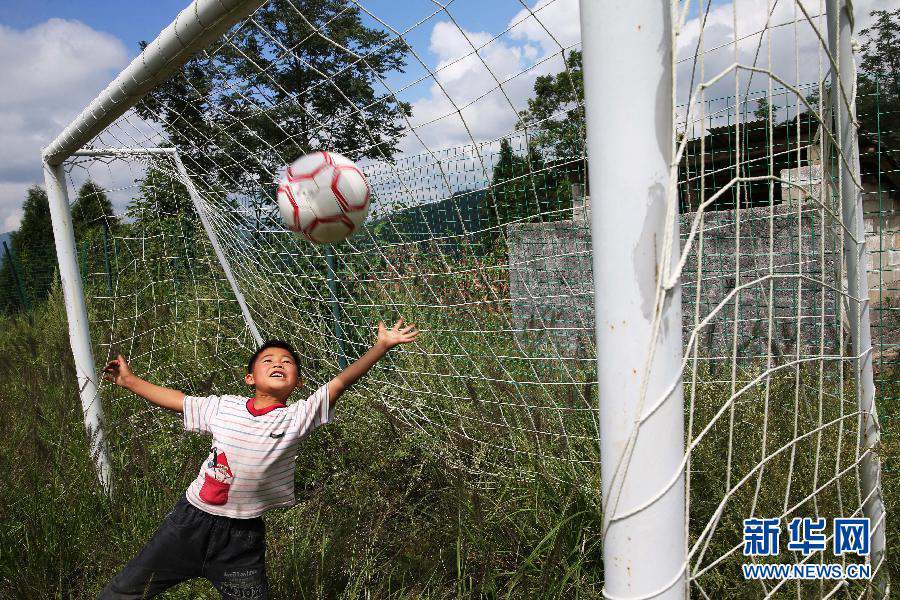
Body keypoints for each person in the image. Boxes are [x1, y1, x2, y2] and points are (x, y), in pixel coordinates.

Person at [99, 319, 419, 599]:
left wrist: (381, 347)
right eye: (267, 359)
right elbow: (179, 401)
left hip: (240, 540)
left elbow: (341, 382)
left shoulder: (298, 418)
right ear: (249, 378)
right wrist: (130, 381)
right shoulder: (225, 406)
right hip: (188, 523)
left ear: (299, 382)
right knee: (127, 590)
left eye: (287, 361)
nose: (278, 363)